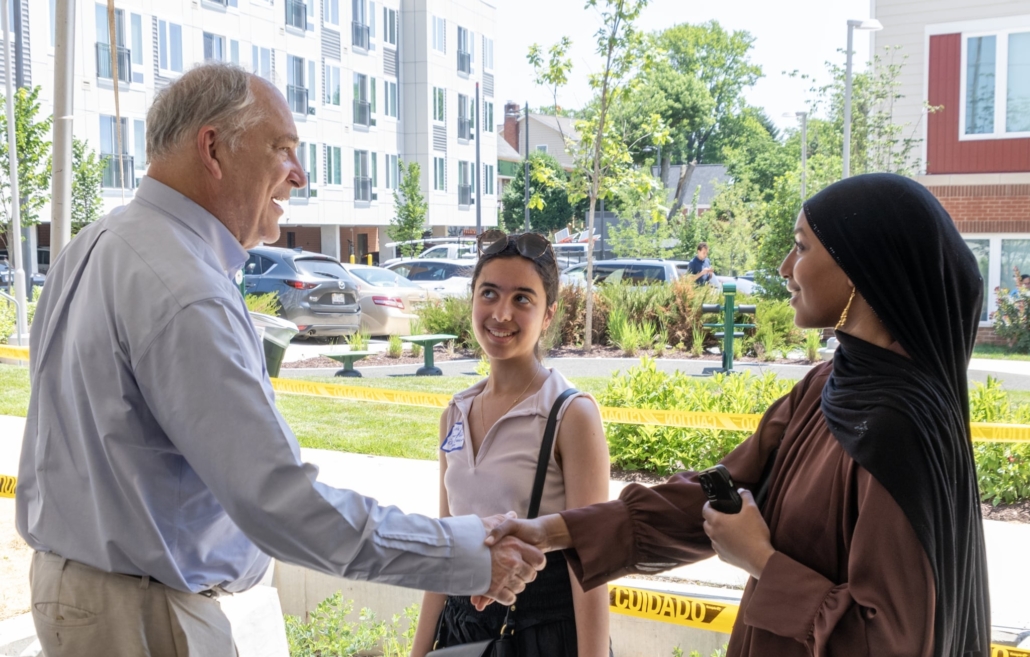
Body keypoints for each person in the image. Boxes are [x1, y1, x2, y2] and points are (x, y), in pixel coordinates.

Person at [15, 63, 544, 656]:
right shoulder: (184, 288)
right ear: (212, 148)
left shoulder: (94, 244)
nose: (299, 176)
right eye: (283, 149)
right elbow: (280, 504)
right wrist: (466, 555)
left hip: (89, 598)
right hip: (142, 618)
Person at [483, 173, 991, 657]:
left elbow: (889, 642)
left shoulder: (897, 430)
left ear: (861, 267)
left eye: (803, 246)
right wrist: (551, 532)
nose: (785, 266)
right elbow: (715, 497)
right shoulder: (825, 385)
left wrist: (761, 562)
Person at [411, 230, 612, 657]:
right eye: (489, 293)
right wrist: (419, 651)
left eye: (522, 298)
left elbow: (592, 564)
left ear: (548, 314)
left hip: (543, 634)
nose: (501, 314)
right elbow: (446, 549)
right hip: (462, 634)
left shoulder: (569, 413)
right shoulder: (455, 413)